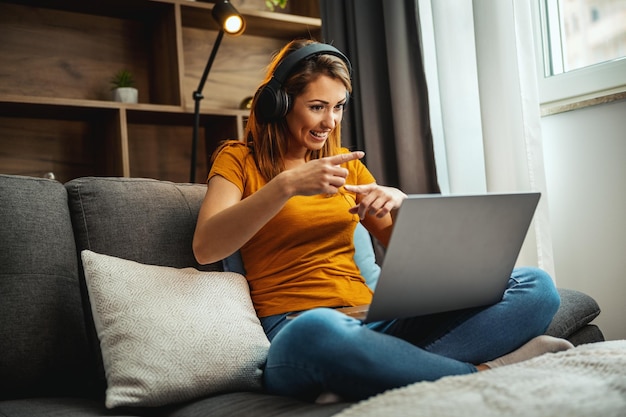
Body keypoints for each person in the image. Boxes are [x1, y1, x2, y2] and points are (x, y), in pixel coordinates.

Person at [193, 39, 573, 403]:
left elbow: (414, 266)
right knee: (320, 329)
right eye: (317, 106)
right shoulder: (239, 160)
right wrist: (286, 185)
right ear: (279, 104)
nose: (330, 121)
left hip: (373, 323)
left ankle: (376, 373)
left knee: (537, 286)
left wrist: (402, 207)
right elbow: (207, 245)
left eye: (339, 107)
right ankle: (482, 374)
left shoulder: (347, 165)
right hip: (297, 331)